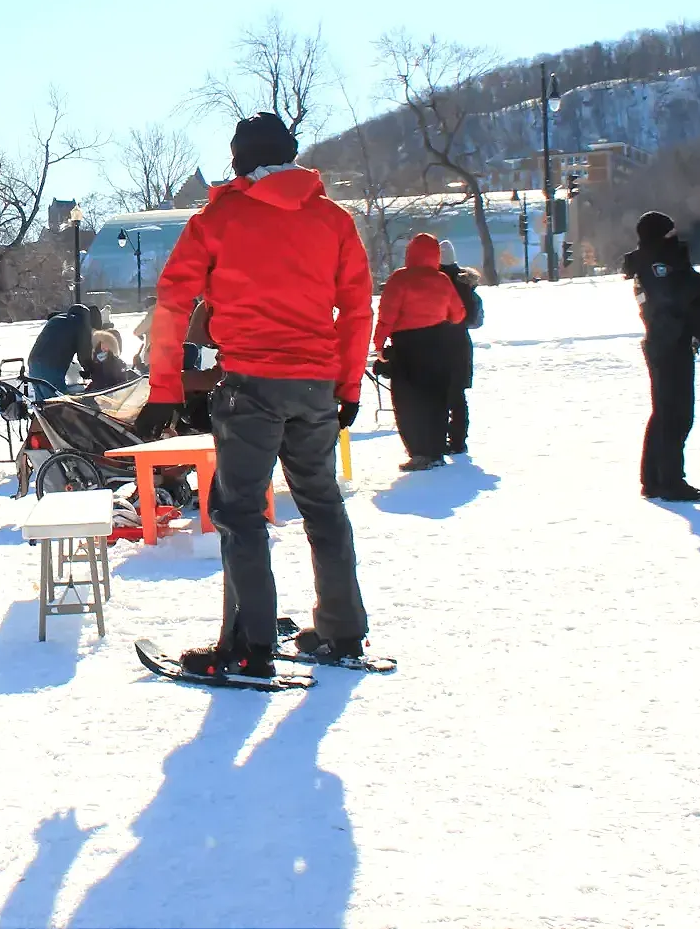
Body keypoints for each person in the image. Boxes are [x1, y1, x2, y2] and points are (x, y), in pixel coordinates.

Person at [136, 113, 374, 680]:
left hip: (251, 384)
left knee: (240, 512)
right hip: (317, 385)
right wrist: (348, 385)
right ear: (291, 155)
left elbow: (173, 302)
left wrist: (166, 387)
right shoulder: (334, 220)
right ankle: (342, 634)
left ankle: (250, 648)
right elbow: (357, 307)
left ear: (239, 160)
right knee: (322, 504)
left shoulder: (218, 219)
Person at [622, 211, 700, 502]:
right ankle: (669, 480)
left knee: (665, 413)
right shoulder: (658, 266)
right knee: (676, 415)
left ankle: (654, 479)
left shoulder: (653, 263)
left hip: (666, 342)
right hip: (669, 343)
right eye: (669, 233)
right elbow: (677, 298)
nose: (674, 237)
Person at [372, 234, 467, 471]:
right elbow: (458, 314)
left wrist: (379, 343)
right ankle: (435, 450)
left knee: (408, 401)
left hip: (407, 347)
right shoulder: (442, 280)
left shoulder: (400, 279)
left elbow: (387, 314)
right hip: (438, 345)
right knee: (436, 399)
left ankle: (419, 452)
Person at [436, 240, 485, 455]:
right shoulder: (465, 282)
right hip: (460, 342)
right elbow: (475, 320)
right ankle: (458, 440)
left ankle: (438, 438)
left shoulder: (433, 280)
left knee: (437, 394)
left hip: (436, 342)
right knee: (458, 396)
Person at [26, 303, 97, 395]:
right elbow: (84, 354)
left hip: (33, 363)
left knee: (41, 402)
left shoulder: (57, 319)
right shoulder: (82, 324)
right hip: (50, 367)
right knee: (58, 401)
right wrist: (90, 371)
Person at [85, 329, 135, 393]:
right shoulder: (97, 361)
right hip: (97, 393)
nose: (104, 345)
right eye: (103, 342)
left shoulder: (120, 364)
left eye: (108, 343)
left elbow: (121, 386)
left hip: (110, 395)